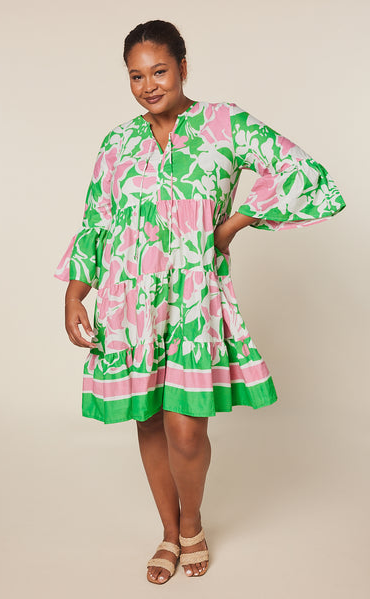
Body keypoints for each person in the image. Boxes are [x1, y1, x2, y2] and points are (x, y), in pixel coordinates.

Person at [53, 19, 346, 585]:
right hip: (131, 301)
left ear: (184, 67)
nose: (148, 86)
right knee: (148, 419)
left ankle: (193, 523)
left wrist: (232, 224)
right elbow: (96, 222)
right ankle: (169, 532)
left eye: (159, 71)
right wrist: (75, 293)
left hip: (194, 300)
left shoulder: (225, 124)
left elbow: (306, 174)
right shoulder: (118, 143)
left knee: (186, 430)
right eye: (136, 76)